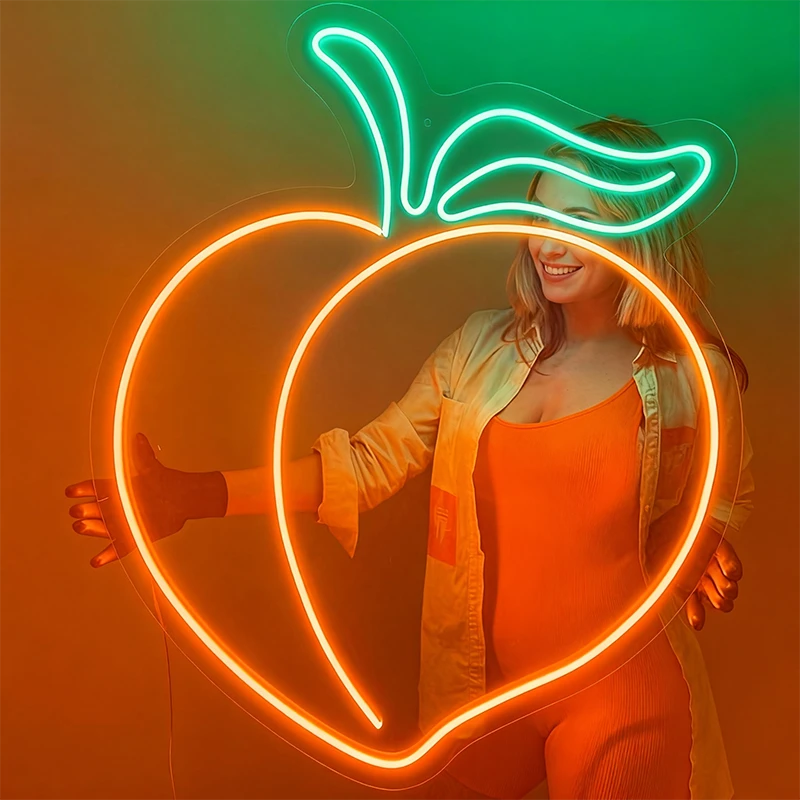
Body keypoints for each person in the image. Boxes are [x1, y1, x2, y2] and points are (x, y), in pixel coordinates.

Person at [65, 115, 754, 800]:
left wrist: (695, 541)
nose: (550, 242)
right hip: (484, 691)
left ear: (639, 227)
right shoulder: (478, 350)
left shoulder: (692, 377)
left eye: (580, 219)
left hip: (622, 690)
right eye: (537, 213)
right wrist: (196, 495)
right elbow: (367, 463)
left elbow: (719, 503)